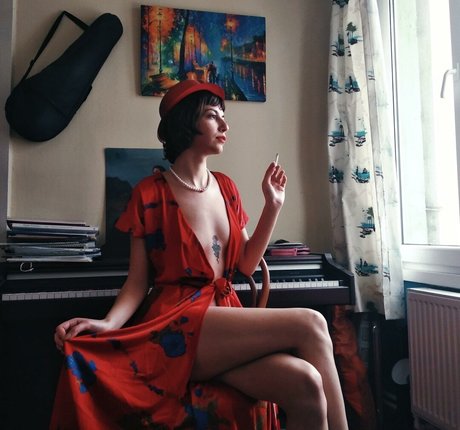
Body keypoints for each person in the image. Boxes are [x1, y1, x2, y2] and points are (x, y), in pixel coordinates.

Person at [51, 79, 348, 430]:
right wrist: (108, 324)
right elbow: (137, 283)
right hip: (177, 322)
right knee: (312, 323)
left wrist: (273, 206)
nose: (224, 125)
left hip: (224, 322)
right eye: (212, 116)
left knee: (306, 384)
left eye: (223, 116)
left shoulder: (226, 186)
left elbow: (246, 264)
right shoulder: (149, 193)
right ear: (185, 123)